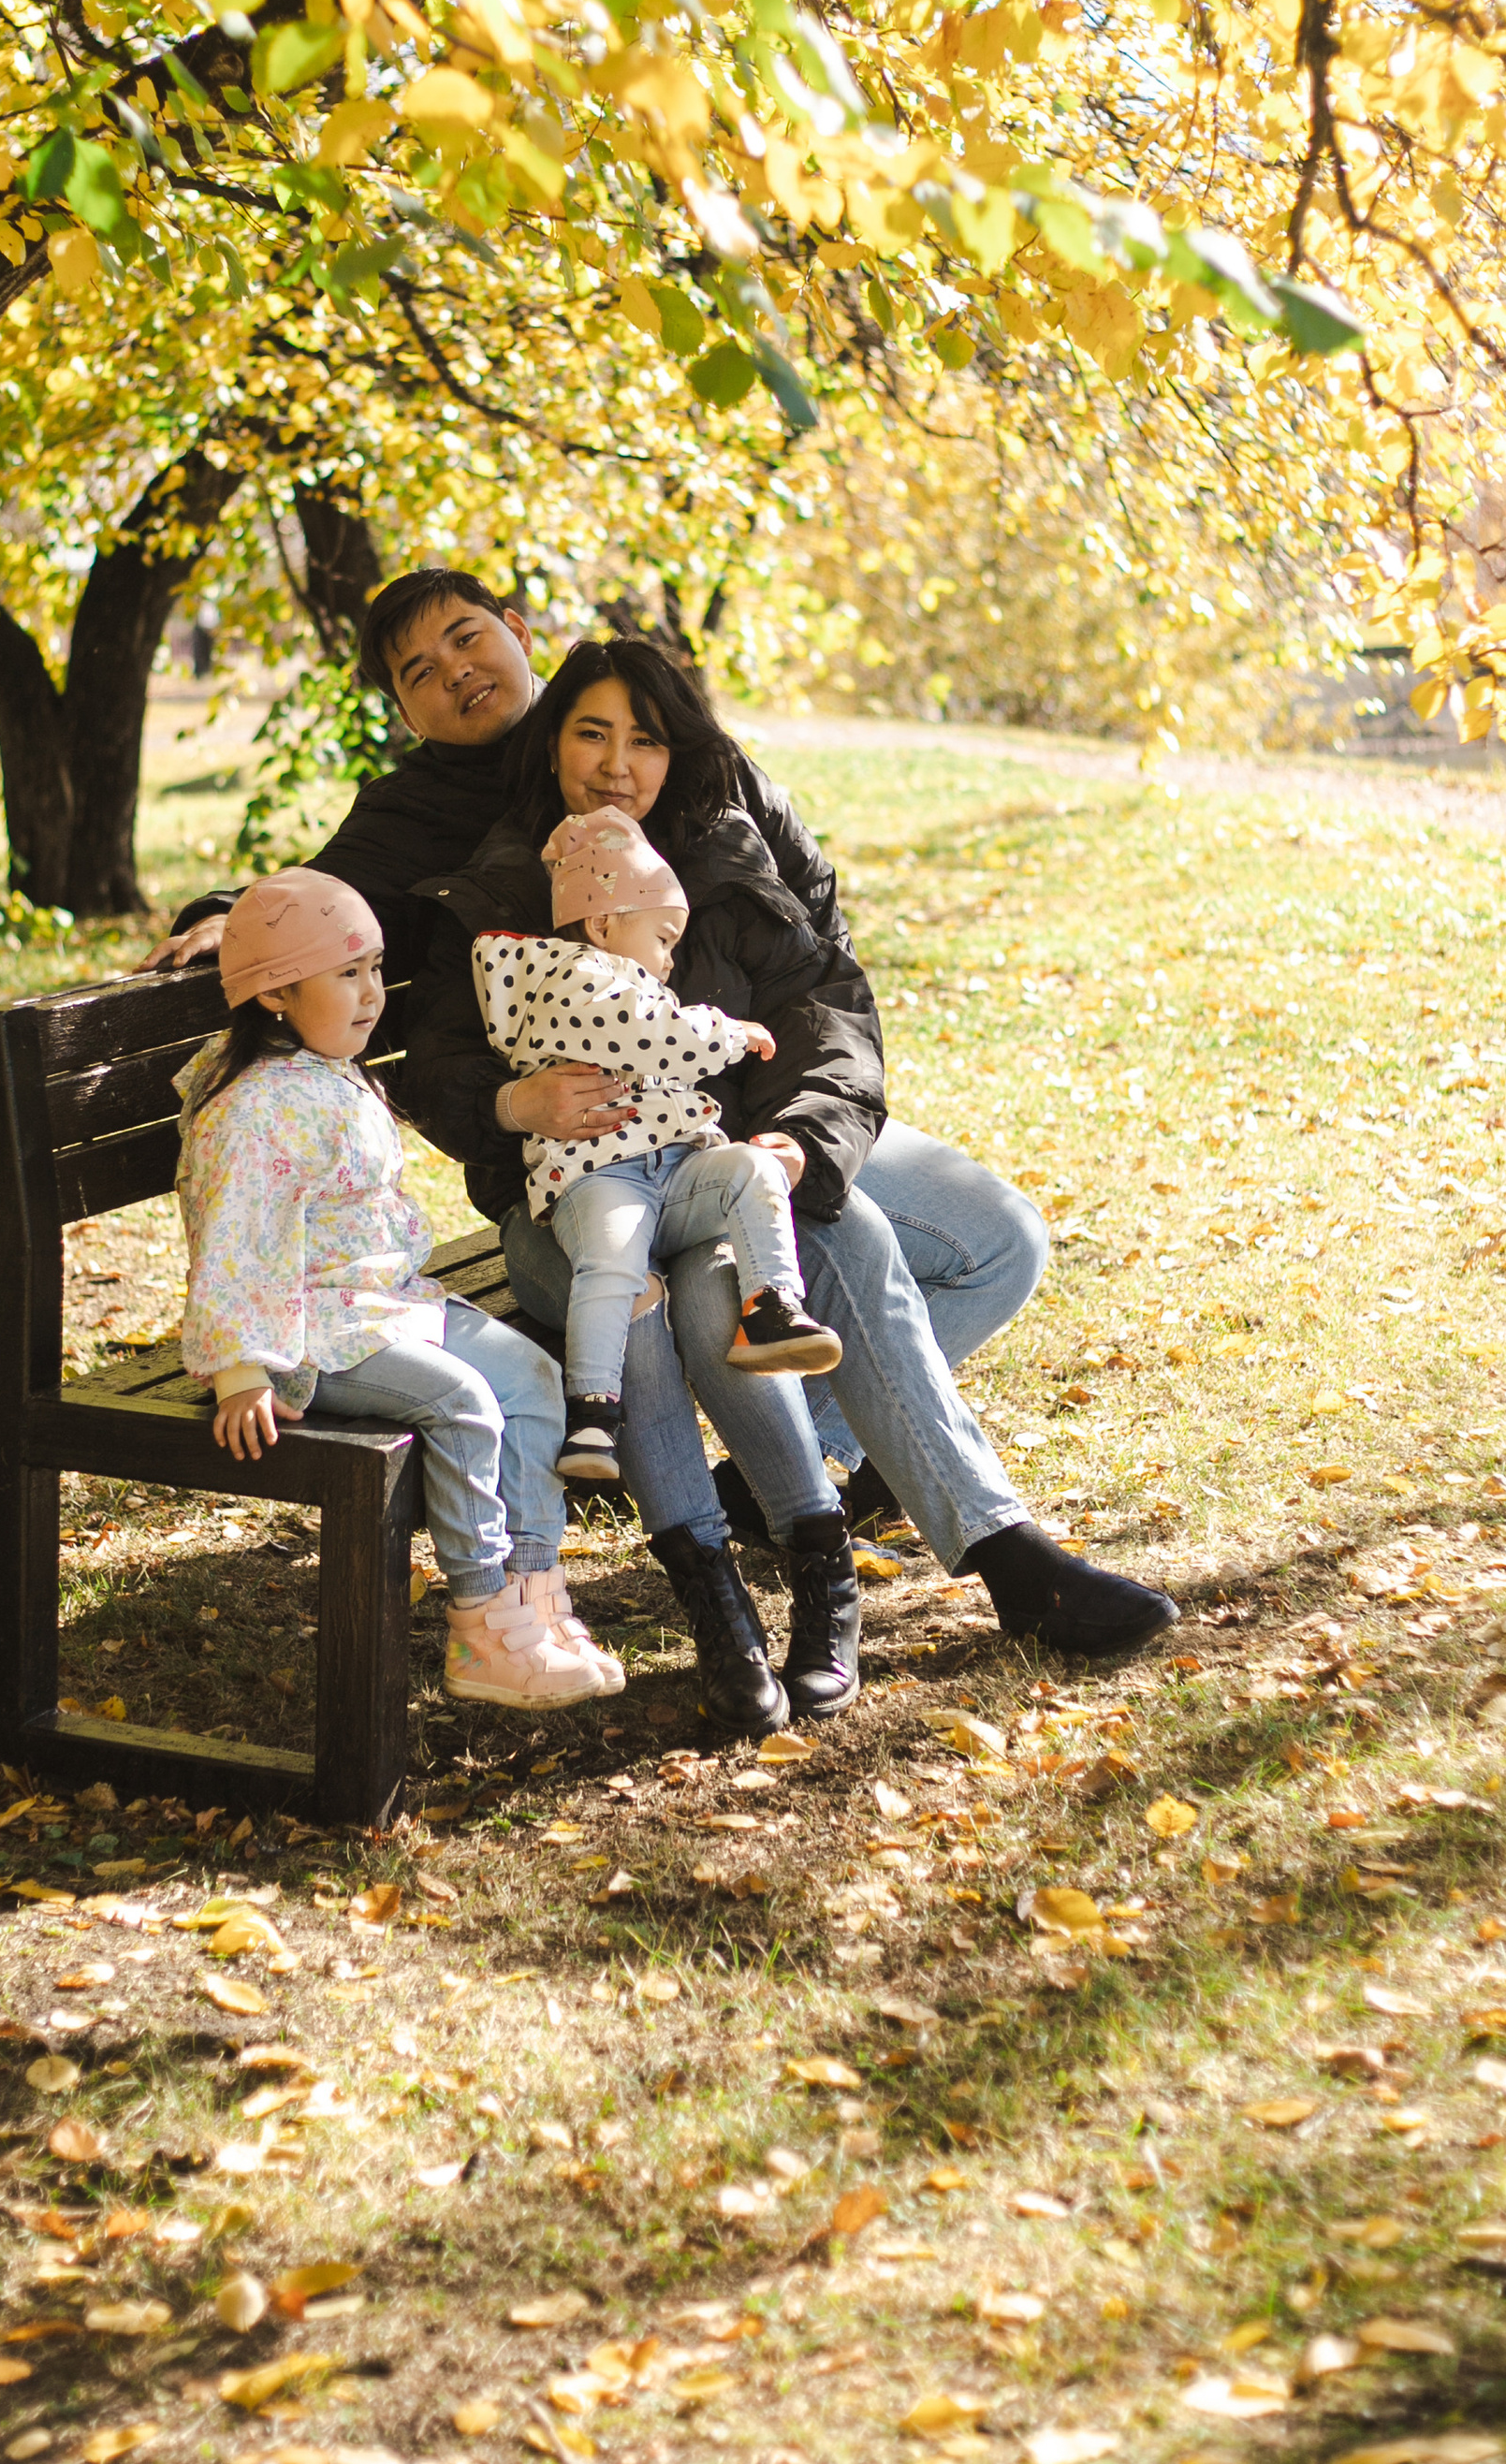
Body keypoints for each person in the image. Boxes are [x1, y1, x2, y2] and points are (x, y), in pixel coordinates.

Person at [146, 566, 1052, 1549]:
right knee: (765, 1263)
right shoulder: (423, 822)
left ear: (515, 627)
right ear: (404, 710)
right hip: (582, 1164)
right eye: (419, 672)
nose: (455, 673)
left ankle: (789, 1474)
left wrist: (796, 1120)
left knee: (998, 1241)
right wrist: (228, 912)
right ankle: (884, 1519)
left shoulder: (671, 744)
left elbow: (814, 951)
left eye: (465, 638)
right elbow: (323, 902)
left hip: (750, 1116)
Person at [406, 639, 1178, 1733]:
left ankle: (923, 1540)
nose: (618, 763)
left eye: (645, 739)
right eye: (591, 734)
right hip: (573, 1203)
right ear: (551, 742)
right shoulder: (503, 883)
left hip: (729, 1157)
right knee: (693, 1295)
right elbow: (433, 1057)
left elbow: (823, 1008)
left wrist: (800, 1143)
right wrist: (508, 1102)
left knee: (904, 1231)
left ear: (679, 750)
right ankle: (749, 1599)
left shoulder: (725, 843)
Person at [175, 868, 621, 1713]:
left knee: (531, 1378)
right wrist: (240, 1369)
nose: (373, 993)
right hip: (306, 1329)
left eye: (376, 969)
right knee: (461, 1401)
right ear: (274, 994)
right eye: (348, 974)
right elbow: (234, 1243)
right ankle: (480, 1625)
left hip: (381, 1304)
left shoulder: (327, 1068)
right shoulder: (256, 1109)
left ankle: (532, 1599)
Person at [476, 802, 842, 1482]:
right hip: (598, 1175)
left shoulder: (629, 984)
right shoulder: (568, 978)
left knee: (751, 1169)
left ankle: (772, 1308)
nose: (671, 961)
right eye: (665, 937)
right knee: (613, 1262)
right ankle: (593, 1409)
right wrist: (729, 1033)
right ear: (604, 922)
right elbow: (651, 1035)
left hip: (673, 1173)